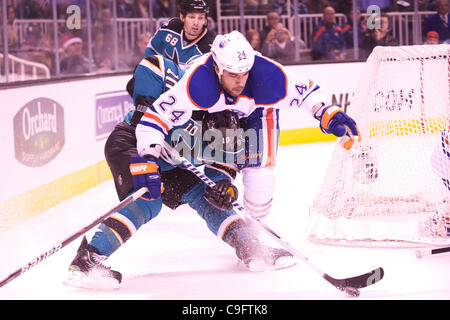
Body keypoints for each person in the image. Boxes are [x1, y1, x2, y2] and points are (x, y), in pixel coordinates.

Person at [64, 54, 295, 288]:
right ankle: (87, 259)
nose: (221, 144)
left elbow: (221, 173)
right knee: (148, 199)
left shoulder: (232, 133)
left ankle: (249, 245)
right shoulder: (189, 97)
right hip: (131, 145)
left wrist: (225, 189)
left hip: (175, 164)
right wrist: (145, 103)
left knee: (209, 200)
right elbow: (153, 65)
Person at [144, 0, 215, 67]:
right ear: (182, 17)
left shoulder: (210, 47)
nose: (196, 23)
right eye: (192, 17)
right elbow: (152, 49)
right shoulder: (170, 28)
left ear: (205, 20)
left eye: (200, 18)